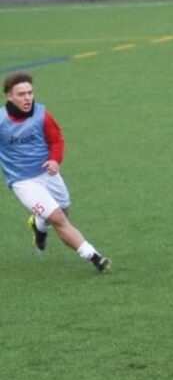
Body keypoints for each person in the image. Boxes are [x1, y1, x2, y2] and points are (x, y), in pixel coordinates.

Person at [2, 72, 110, 273]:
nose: (27, 98)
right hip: (23, 181)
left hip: (48, 174)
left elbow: (57, 140)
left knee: (63, 211)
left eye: (30, 93)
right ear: (9, 95)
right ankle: (94, 256)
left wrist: (54, 160)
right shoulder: (1, 121)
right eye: (21, 94)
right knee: (58, 218)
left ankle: (38, 225)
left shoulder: (42, 115)